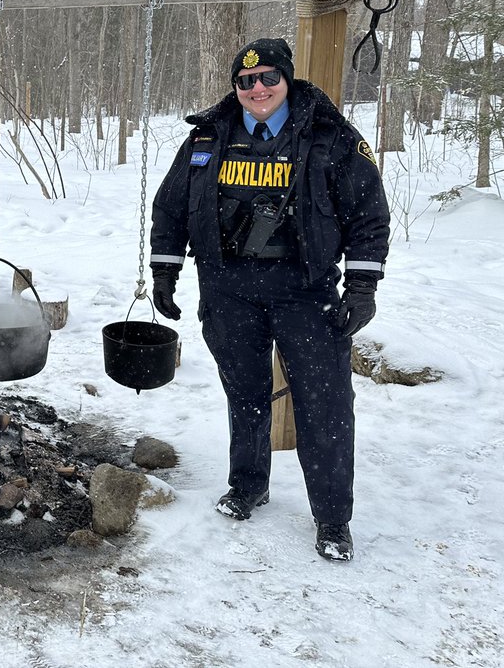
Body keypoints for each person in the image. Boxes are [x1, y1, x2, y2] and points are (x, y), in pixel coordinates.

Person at [149, 38, 388, 563]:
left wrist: (363, 287)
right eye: (245, 81)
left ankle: (332, 519)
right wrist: (163, 274)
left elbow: (368, 214)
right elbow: (170, 209)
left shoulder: (331, 137)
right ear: (236, 87)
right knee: (246, 394)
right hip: (228, 291)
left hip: (305, 292)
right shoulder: (208, 138)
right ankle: (248, 484)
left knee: (323, 406)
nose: (257, 89)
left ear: (287, 80)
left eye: (268, 79)